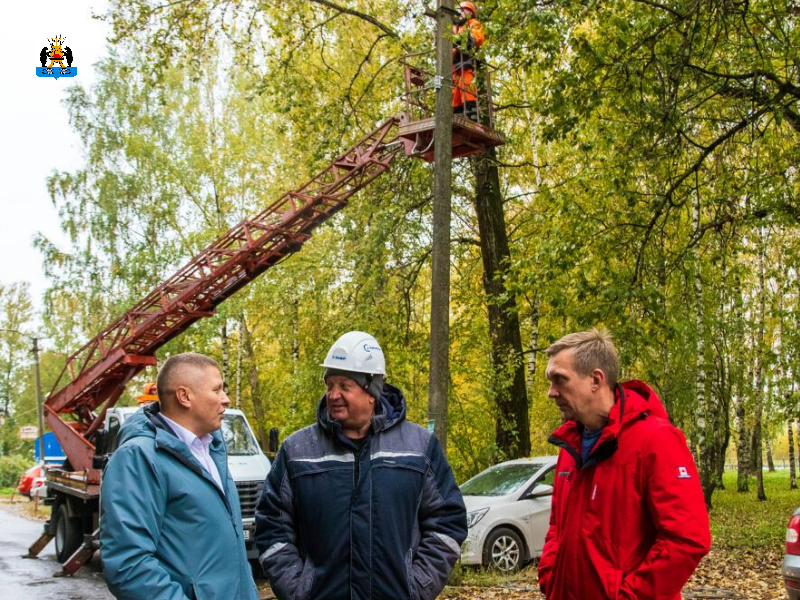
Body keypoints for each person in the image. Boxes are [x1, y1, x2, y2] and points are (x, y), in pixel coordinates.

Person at [255, 331, 467, 600]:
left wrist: (416, 587)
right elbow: (271, 525)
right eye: (330, 385)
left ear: (372, 391)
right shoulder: (297, 450)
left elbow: (447, 521)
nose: (333, 395)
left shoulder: (419, 447)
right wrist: (298, 590)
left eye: (345, 386)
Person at [538, 329, 710, 600]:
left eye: (559, 380)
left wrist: (630, 596)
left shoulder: (656, 440)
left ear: (595, 380)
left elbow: (686, 539)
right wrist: (550, 576)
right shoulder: (570, 446)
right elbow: (557, 526)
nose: (551, 393)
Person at [100, 353, 259, 600]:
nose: (225, 399)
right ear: (184, 396)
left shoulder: (211, 448)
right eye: (217, 390)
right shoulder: (139, 457)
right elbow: (128, 564)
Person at [452, 1, 484, 121]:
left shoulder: (474, 24)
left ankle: (471, 114)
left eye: (463, 10)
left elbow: (477, 39)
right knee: (455, 91)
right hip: (455, 65)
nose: (460, 13)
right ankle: (457, 114)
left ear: (470, 12)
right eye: (460, 11)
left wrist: (461, 38)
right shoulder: (455, 27)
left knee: (467, 85)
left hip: (467, 61)